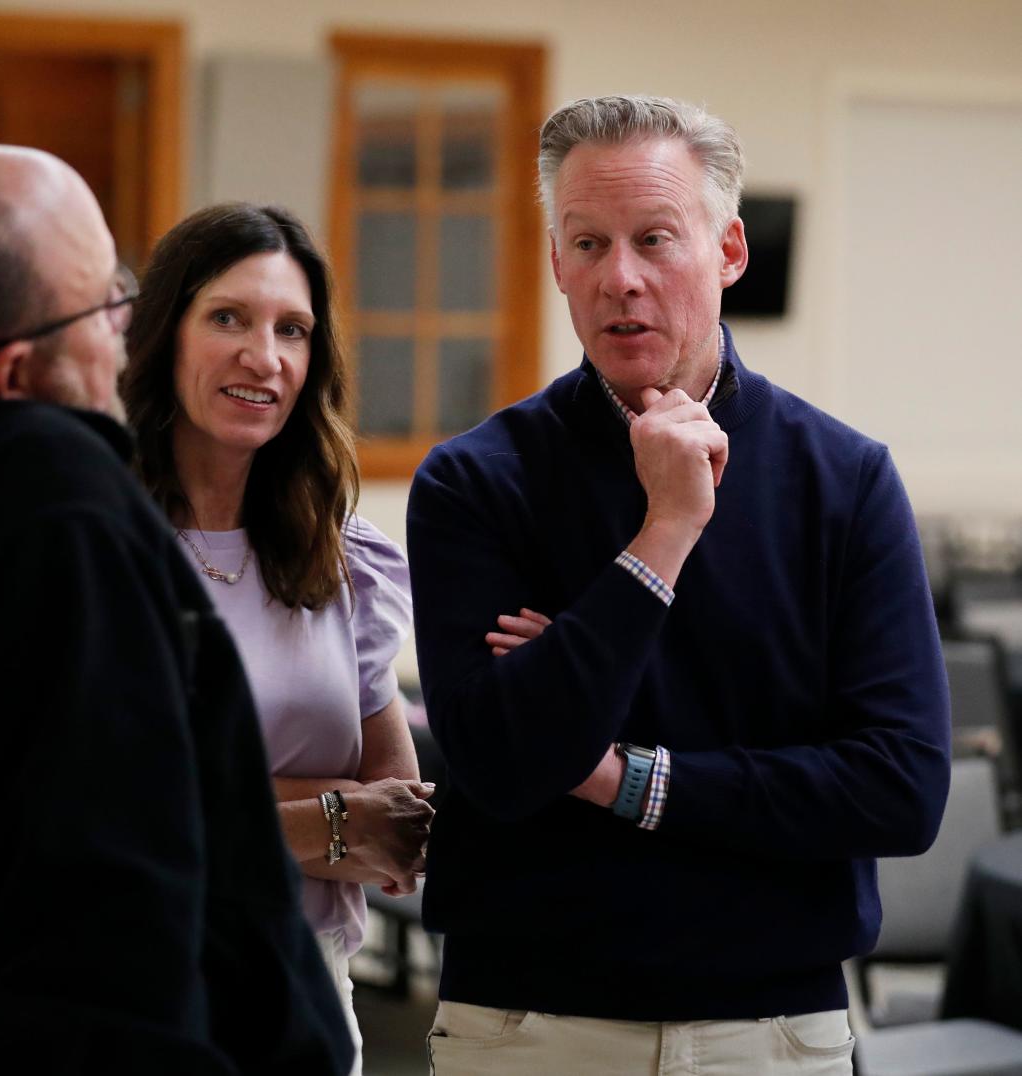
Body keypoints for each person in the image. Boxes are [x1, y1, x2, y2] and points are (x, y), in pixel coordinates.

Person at [406, 95, 951, 1074]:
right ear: (557, 261)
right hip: (524, 1025)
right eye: (588, 243)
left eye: (656, 238)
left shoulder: (845, 478)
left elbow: (899, 789)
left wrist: (625, 779)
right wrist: (665, 533)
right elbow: (501, 761)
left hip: (774, 1030)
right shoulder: (476, 478)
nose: (621, 279)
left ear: (730, 249)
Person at [0, 144, 353, 1075]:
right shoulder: (52, 506)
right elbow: (108, 923)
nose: (125, 332)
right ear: (12, 376)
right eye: (104, 306)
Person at [124, 202, 435, 1074]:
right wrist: (333, 814)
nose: (263, 357)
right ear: (165, 334)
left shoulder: (342, 558)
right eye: (228, 317)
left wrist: (226, 798)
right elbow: (111, 820)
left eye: (292, 330)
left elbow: (401, 823)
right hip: (137, 987)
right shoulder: (103, 544)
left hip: (310, 991)